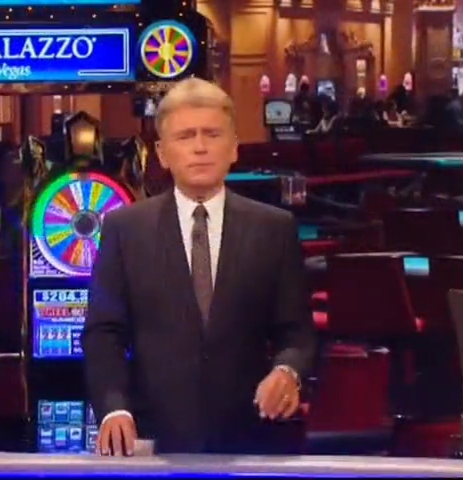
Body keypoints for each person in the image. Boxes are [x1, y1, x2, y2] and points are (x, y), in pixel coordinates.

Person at [82, 78, 317, 456]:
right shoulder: (125, 228)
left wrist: (287, 371)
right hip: (154, 436)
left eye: (212, 134)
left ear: (234, 147)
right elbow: (103, 333)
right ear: (162, 153)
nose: (200, 147)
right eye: (185, 136)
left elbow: (297, 332)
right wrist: (114, 407)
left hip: (250, 436)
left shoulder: (274, 227)